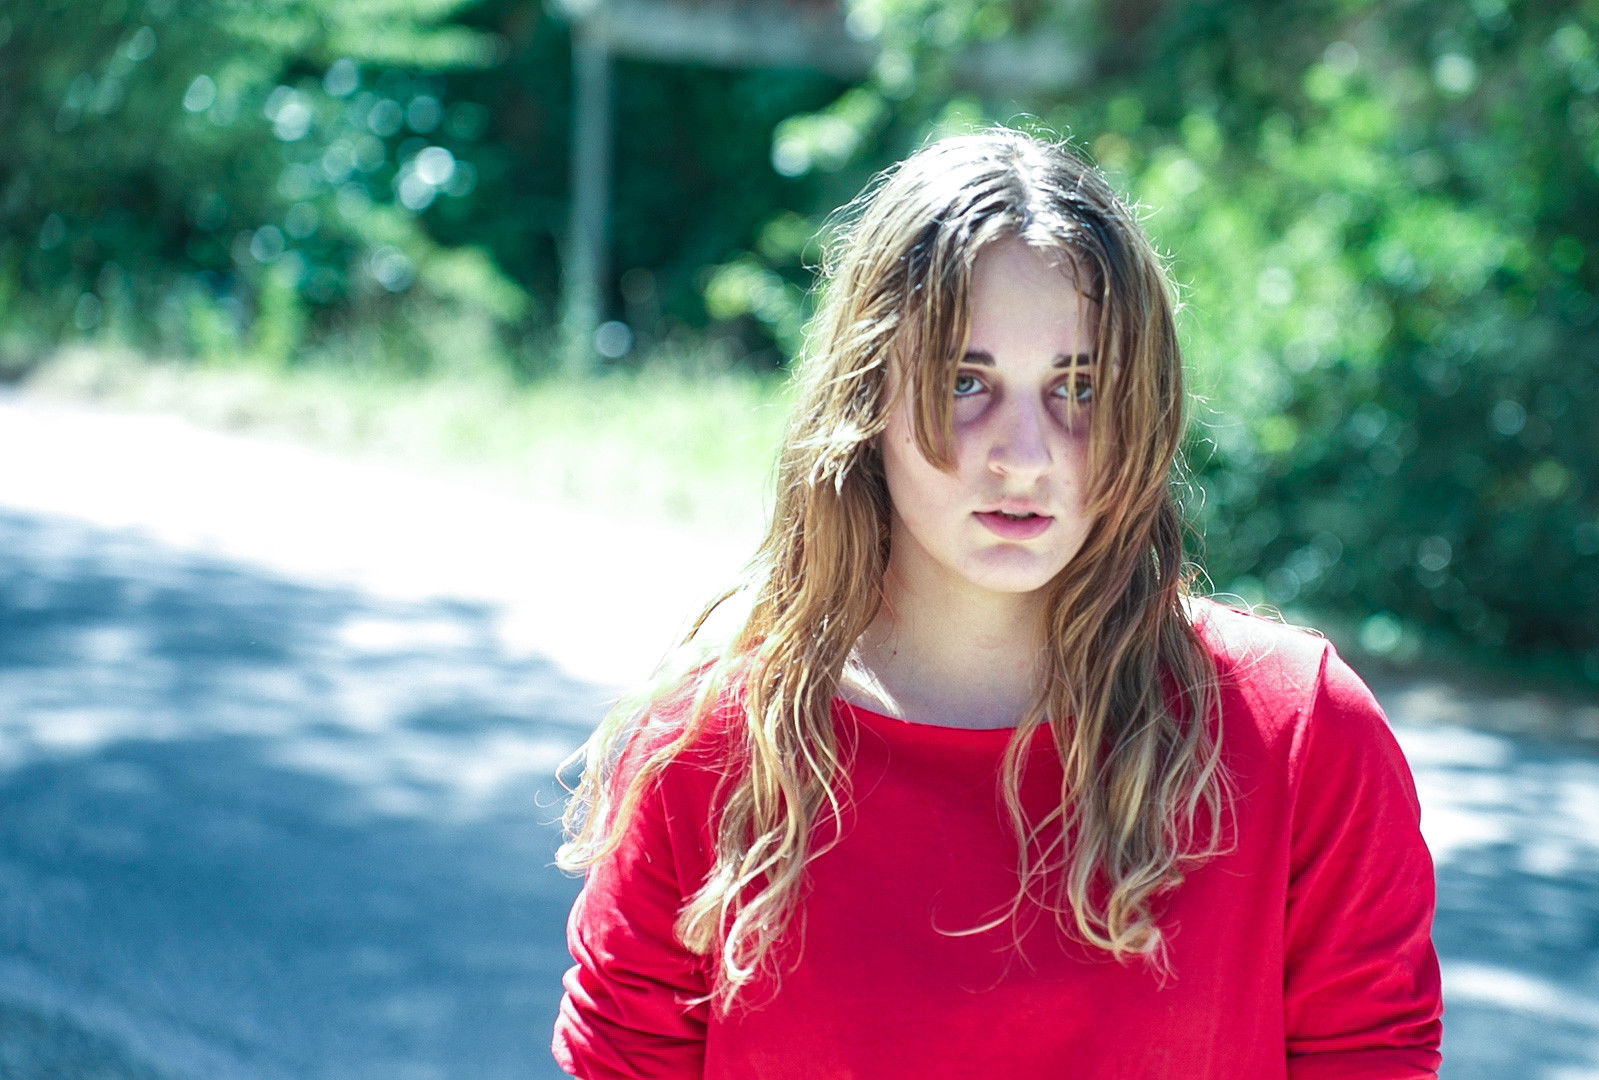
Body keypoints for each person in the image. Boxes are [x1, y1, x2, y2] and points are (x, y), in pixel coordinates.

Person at [551, 126, 1444, 1079]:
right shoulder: (707, 758)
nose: (1024, 455)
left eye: (1080, 387)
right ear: (865, 398)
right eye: (965, 382)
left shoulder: (1298, 735)